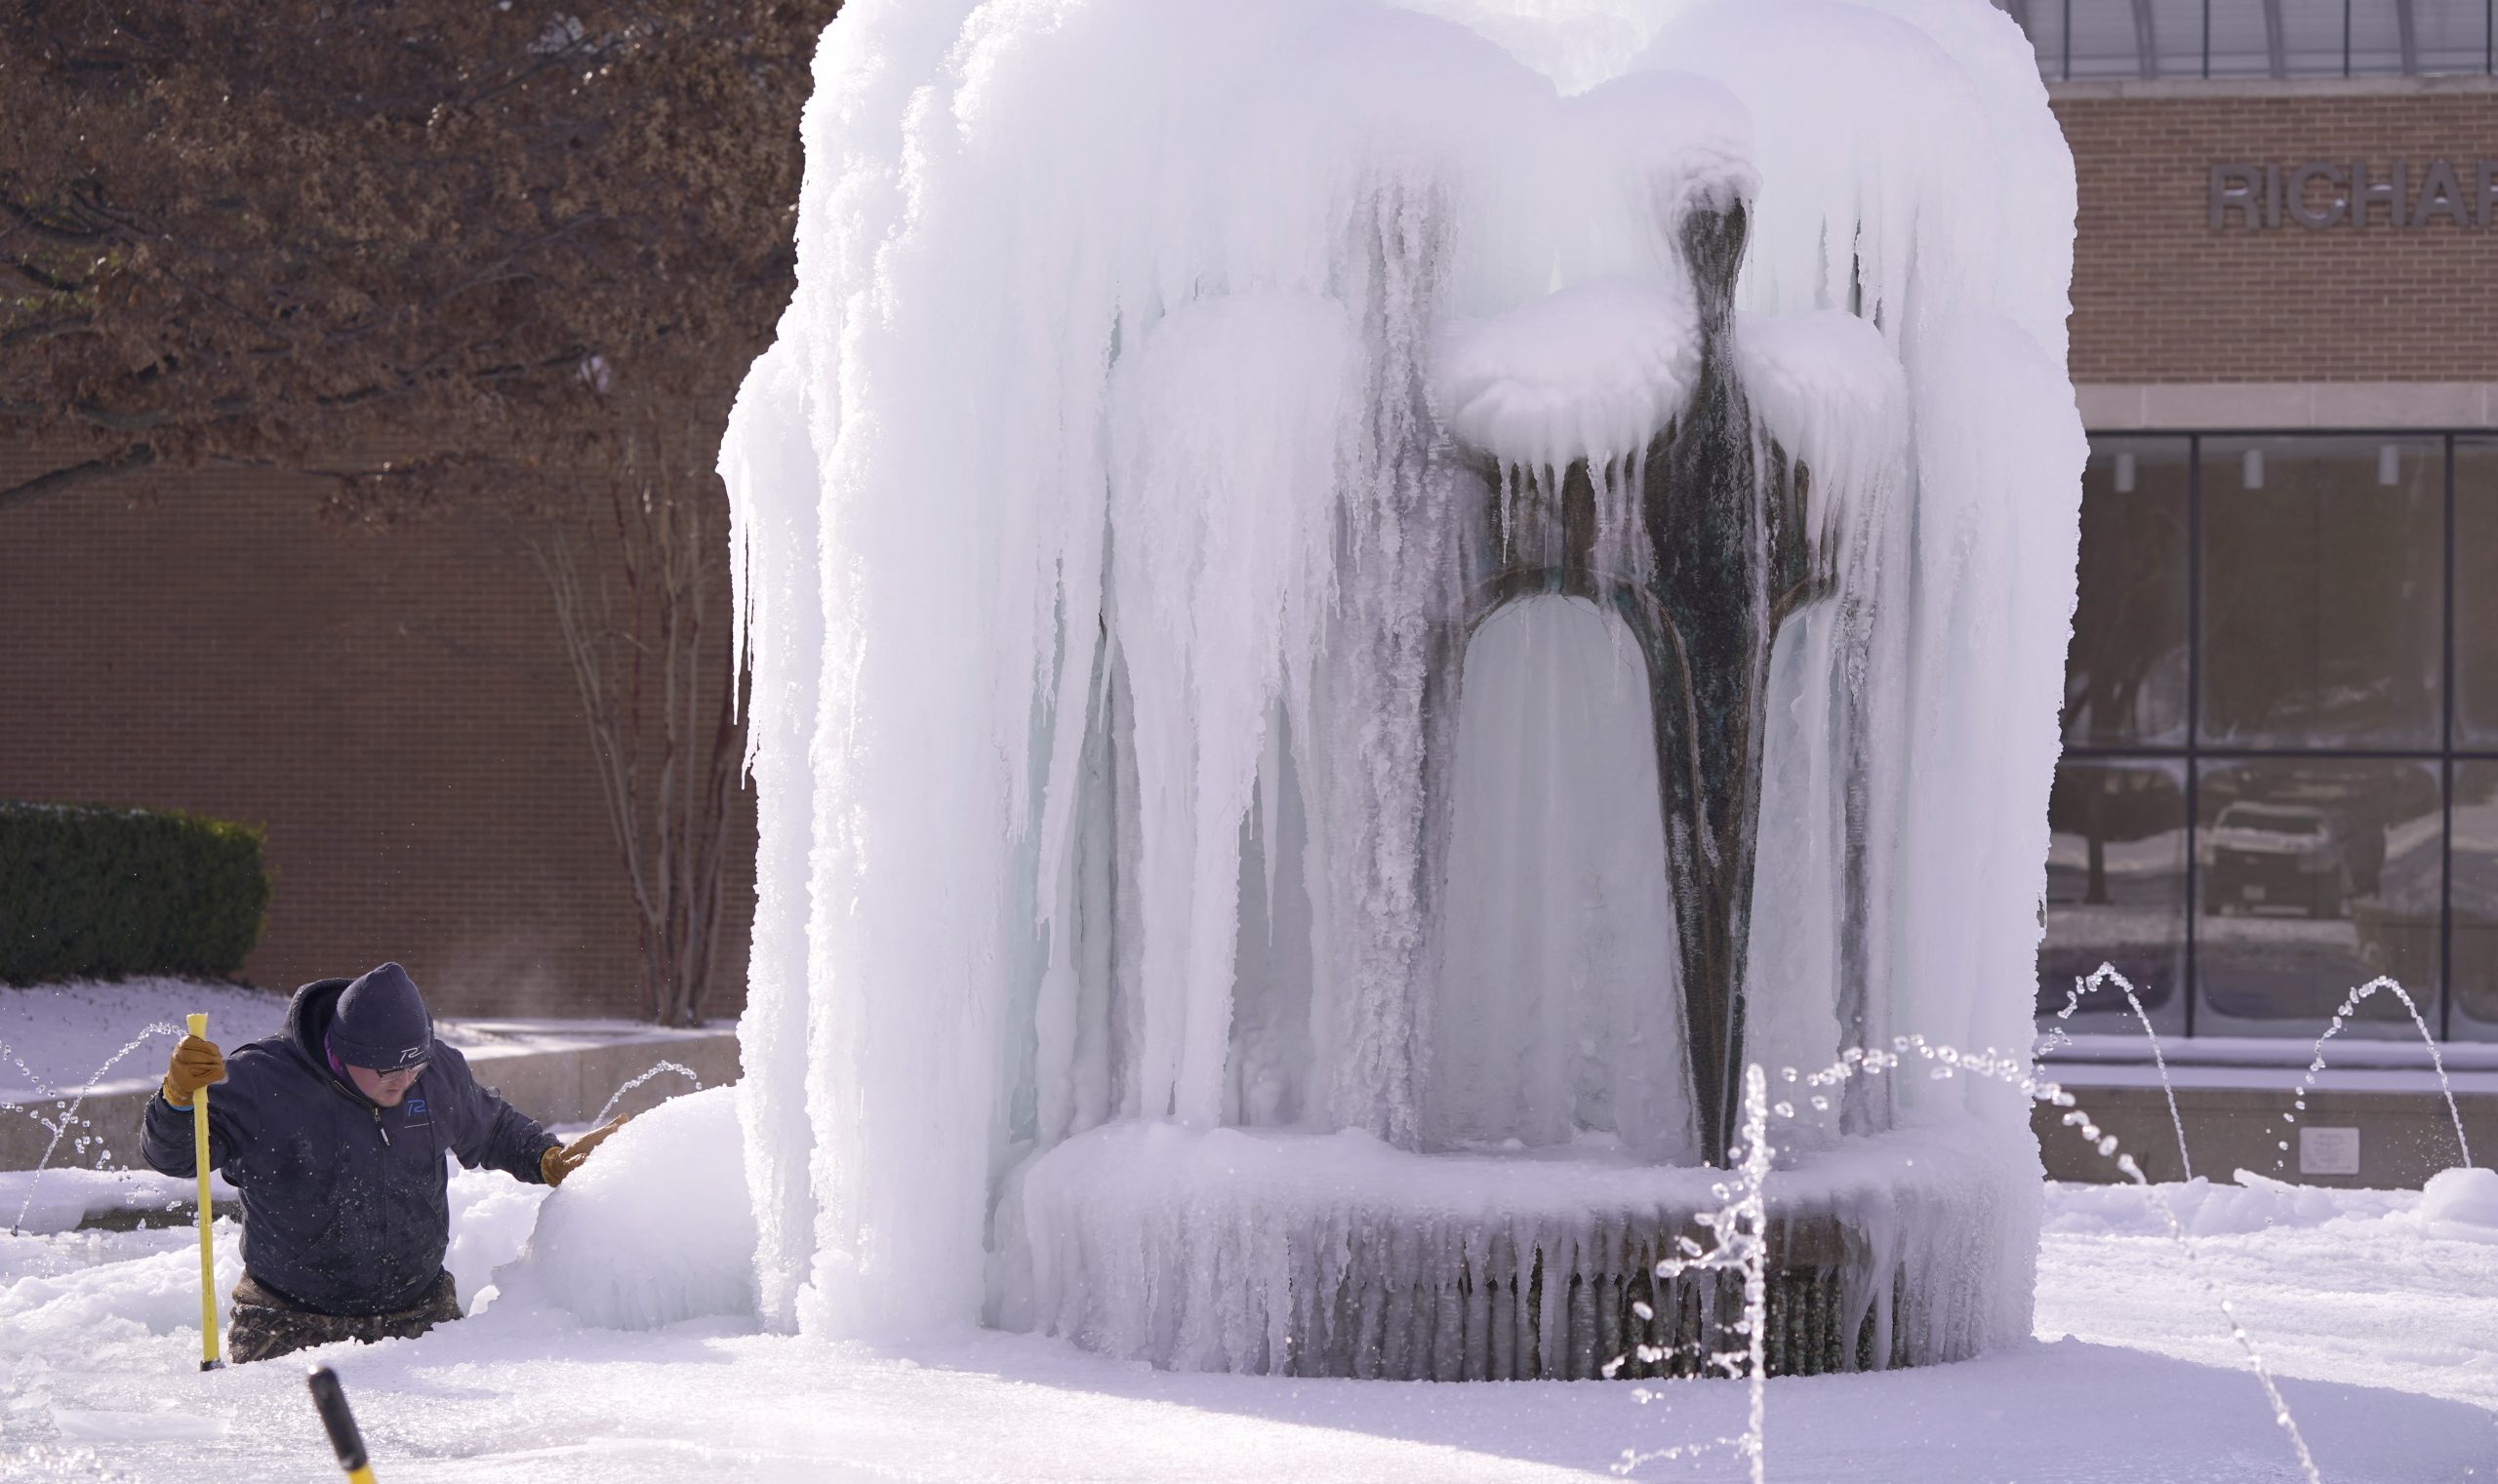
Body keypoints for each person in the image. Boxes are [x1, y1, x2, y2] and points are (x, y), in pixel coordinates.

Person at [141, 961, 626, 1364]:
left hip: (418, 1313)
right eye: (389, 1073)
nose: (405, 1083)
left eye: (414, 1068)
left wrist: (544, 1156)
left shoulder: (434, 1074)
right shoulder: (262, 1081)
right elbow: (176, 1155)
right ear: (343, 1051)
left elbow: (492, 1126)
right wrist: (177, 1100)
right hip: (287, 1320)